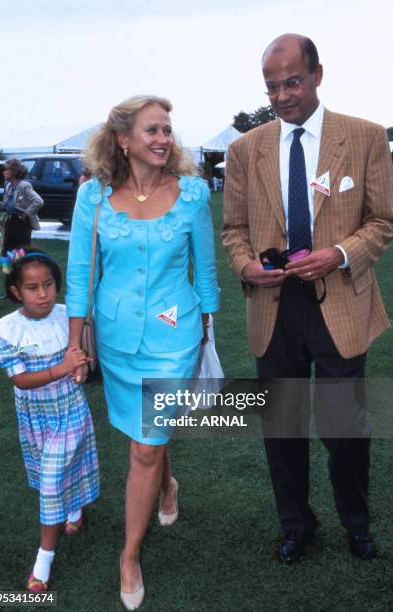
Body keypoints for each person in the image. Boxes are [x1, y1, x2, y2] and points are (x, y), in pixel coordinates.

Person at [222, 34, 393, 564]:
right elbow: (233, 230)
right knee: (282, 427)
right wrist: (246, 263)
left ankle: (356, 522)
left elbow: (384, 220)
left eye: (292, 81)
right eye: (272, 86)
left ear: (318, 74)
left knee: (345, 427)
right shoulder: (244, 149)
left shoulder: (364, 138)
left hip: (341, 301)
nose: (281, 95)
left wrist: (339, 253)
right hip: (272, 309)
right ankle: (296, 524)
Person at [66, 95, 220, 609]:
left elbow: (207, 266)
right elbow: (81, 275)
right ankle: (166, 484)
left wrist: (208, 327)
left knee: (145, 444)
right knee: (145, 436)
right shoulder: (91, 197)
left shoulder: (194, 193)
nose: (162, 139)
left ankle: (128, 555)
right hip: (114, 340)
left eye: (168, 130)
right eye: (152, 130)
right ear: (124, 139)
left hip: (174, 335)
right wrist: (74, 340)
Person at [0, 248, 100, 592]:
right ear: (16, 292)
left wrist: (83, 366)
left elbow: (87, 353)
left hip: (69, 411)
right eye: (33, 288)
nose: (43, 294)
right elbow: (20, 380)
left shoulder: (69, 316)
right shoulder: (6, 330)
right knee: (55, 471)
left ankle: (44, 559)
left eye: (49, 285)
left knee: (51, 483)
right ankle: (75, 507)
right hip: (35, 418)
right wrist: (60, 369)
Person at [0, 159, 43, 256]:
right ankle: (9, 270)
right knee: (7, 251)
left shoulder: (24, 185)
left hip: (21, 224)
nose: (3, 172)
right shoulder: (8, 185)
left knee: (19, 252)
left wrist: (26, 214)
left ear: (14, 171)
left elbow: (38, 201)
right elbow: (6, 207)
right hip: (9, 223)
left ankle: (19, 270)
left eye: (6, 170)